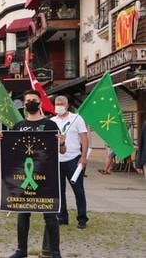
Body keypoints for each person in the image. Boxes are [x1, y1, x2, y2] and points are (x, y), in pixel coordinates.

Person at [0, 90, 66, 258]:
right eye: (28, 100)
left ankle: (55, 252)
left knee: (50, 214)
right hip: (24, 177)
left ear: (40, 103)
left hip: (46, 177)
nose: (31, 103)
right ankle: (21, 250)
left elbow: (62, 151)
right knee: (23, 213)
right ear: (24, 105)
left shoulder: (50, 125)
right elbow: (10, 151)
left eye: (34, 100)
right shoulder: (18, 126)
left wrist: (62, 142)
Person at [50, 95, 89, 229]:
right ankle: (62, 217)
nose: (59, 105)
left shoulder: (76, 119)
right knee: (59, 191)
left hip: (74, 159)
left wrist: (83, 157)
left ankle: (82, 218)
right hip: (57, 160)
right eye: (57, 103)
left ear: (67, 105)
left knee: (78, 190)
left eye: (61, 103)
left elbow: (84, 138)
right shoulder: (52, 121)